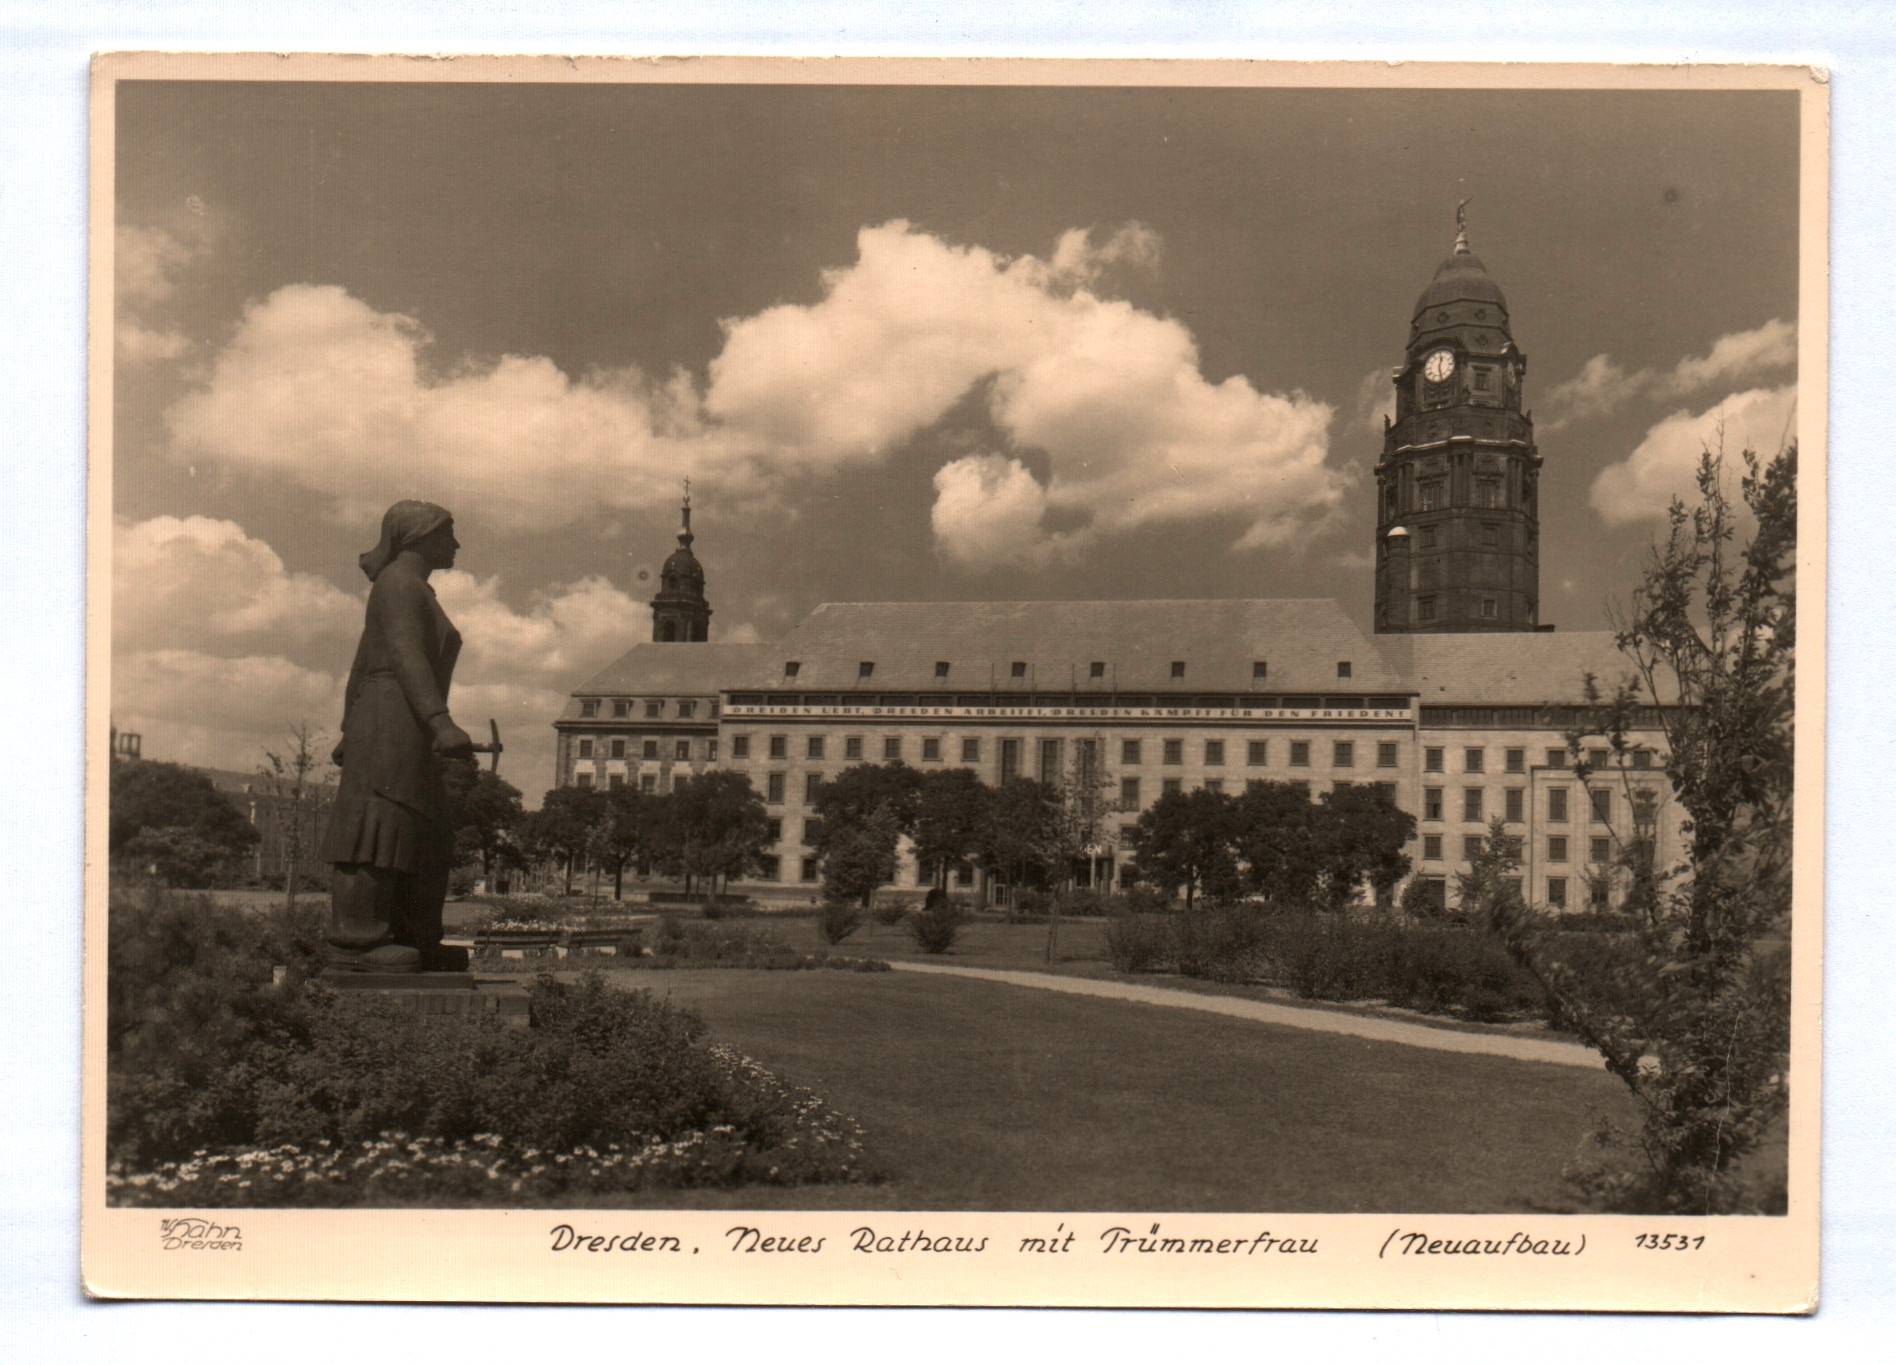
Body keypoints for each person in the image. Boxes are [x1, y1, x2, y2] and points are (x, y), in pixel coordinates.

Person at [321, 500, 473, 973]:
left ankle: (414, 936)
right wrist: (440, 721)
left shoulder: (413, 589)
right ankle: (356, 943)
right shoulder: (399, 586)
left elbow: (362, 661)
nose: (456, 544)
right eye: (448, 534)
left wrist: (349, 725)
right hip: (394, 716)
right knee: (382, 819)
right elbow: (407, 656)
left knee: (421, 829)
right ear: (420, 537)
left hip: (400, 719)